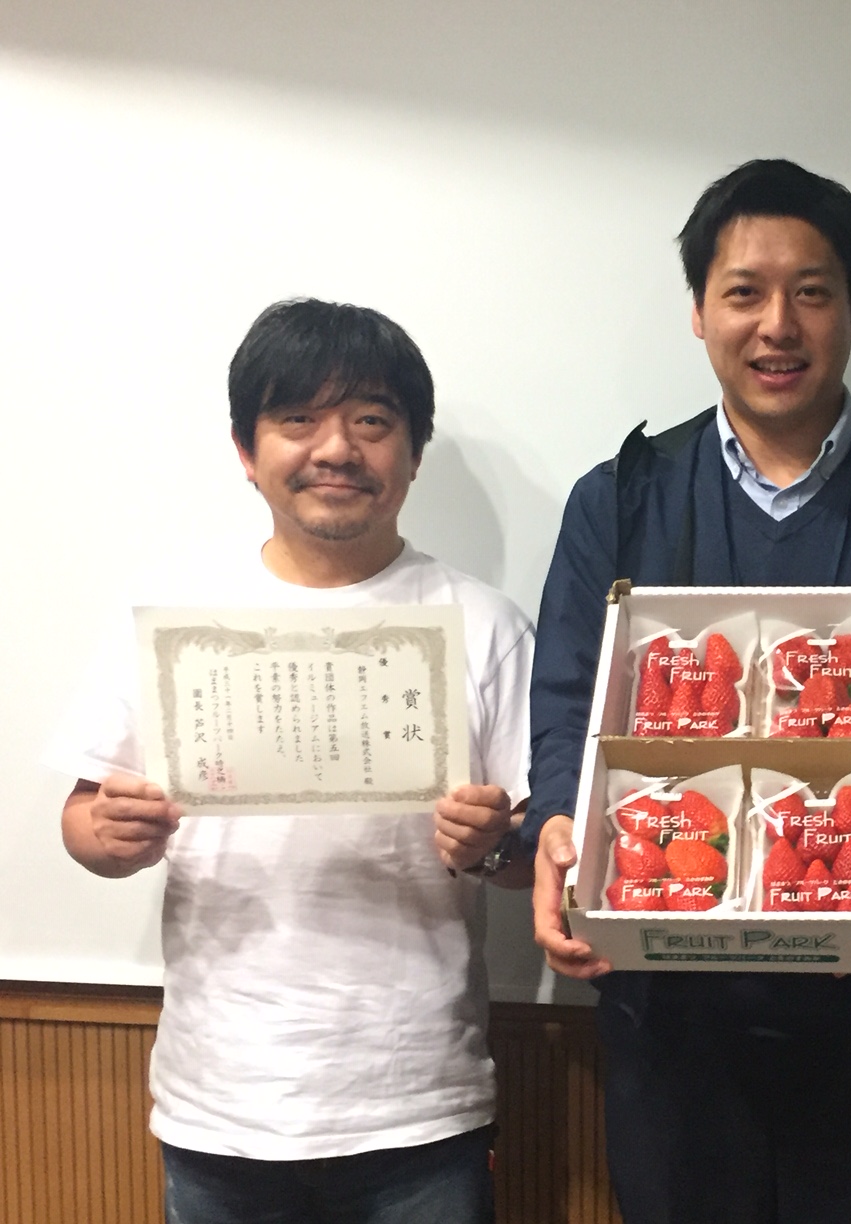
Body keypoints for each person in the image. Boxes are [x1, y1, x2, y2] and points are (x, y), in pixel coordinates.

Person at [523, 158, 851, 1223]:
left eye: (811, 292)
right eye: (743, 293)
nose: (777, 326)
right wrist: (562, 829)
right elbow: (569, 707)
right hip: (669, 1013)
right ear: (698, 313)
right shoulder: (619, 500)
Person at [46, 299, 534, 1224]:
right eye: (298, 418)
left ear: (414, 453)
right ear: (246, 449)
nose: (336, 449)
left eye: (372, 421)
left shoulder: (484, 623)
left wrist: (493, 846)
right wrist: (109, 835)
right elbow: (81, 820)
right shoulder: (175, 613)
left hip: (418, 1101)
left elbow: (534, 858)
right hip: (219, 1100)